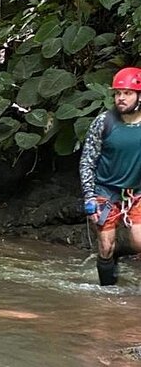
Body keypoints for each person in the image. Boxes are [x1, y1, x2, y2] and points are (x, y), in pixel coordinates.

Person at [79, 66, 141, 286]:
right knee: (105, 247)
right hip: (105, 191)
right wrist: (89, 197)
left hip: (138, 192)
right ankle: (107, 293)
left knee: (139, 241)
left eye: (127, 93)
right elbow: (87, 161)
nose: (121, 98)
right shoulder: (104, 122)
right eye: (117, 93)